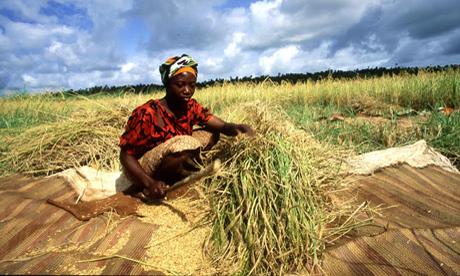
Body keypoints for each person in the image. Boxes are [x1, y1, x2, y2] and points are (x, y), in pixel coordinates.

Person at [119, 54, 254, 199]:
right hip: (144, 168)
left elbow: (216, 123)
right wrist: (149, 182)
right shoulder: (148, 113)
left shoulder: (190, 106)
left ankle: (181, 170)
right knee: (187, 143)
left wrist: (235, 128)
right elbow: (126, 155)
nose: (187, 90)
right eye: (180, 84)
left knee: (212, 133)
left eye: (192, 85)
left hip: (175, 152)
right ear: (167, 83)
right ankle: (156, 184)